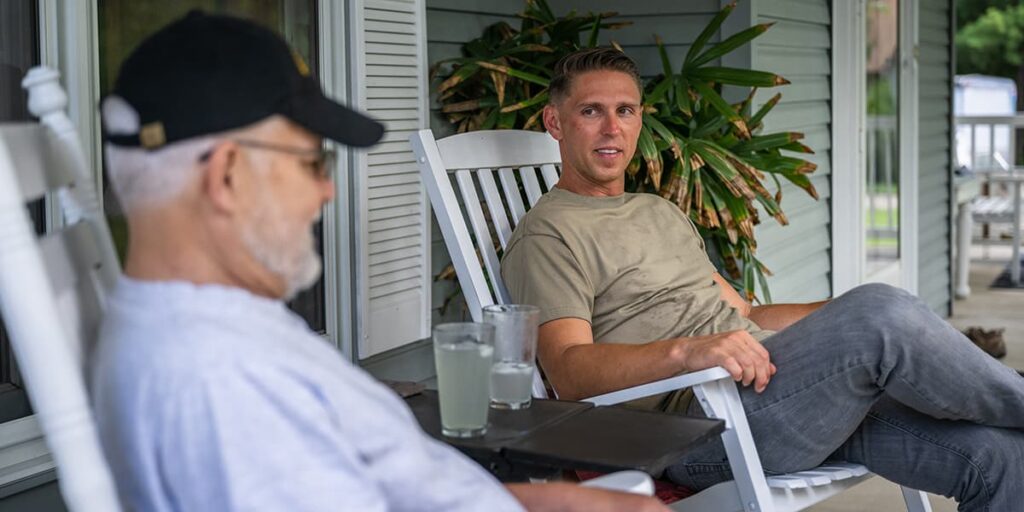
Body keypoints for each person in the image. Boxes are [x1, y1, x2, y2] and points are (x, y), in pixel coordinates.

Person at [89, 13, 666, 512]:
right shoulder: (215, 385)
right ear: (227, 177)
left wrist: (573, 499)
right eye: (313, 163)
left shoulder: (231, 326)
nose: (326, 194)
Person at [500, 47, 1024, 511]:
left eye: (625, 111)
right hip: (705, 426)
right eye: (591, 111)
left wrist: (851, 315)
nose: (612, 128)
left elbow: (744, 314)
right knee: (881, 312)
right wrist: (689, 352)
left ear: (640, 121)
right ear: (555, 122)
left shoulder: (656, 209)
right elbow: (569, 371)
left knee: (1001, 458)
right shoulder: (548, 234)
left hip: (788, 391)